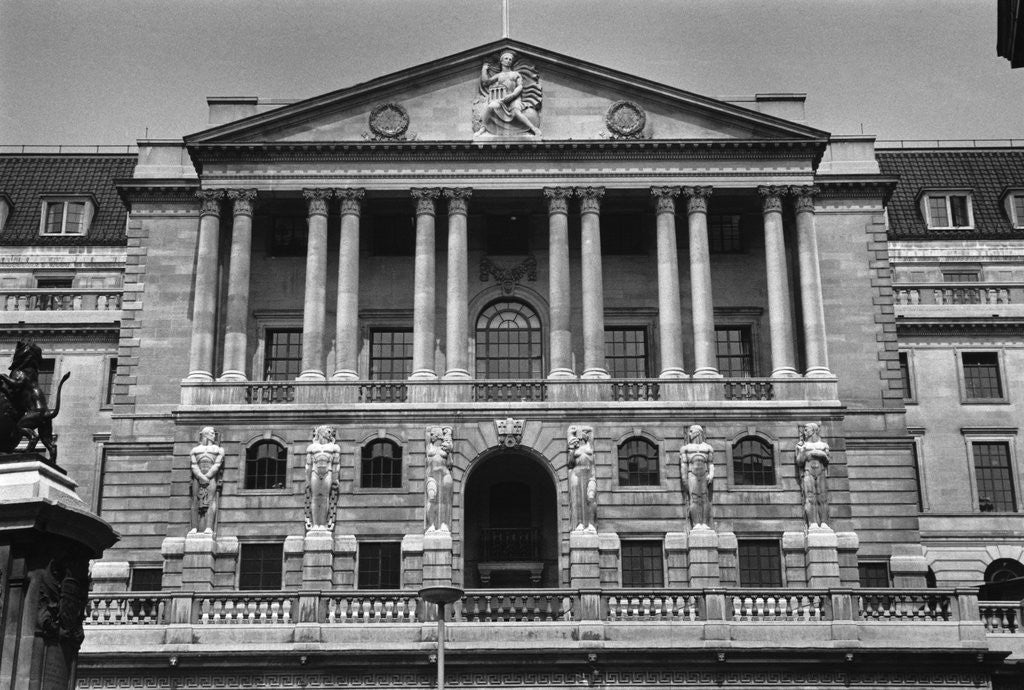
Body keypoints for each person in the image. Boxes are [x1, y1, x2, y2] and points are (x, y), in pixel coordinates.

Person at [475, 51, 542, 136]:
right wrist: (484, 70)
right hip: (502, 98)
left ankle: (534, 129)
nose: (508, 60)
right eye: (506, 59)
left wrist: (513, 95)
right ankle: (483, 128)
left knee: (516, 112)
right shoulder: (499, 75)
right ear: (501, 61)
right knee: (491, 107)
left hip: (514, 98)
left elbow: (520, 86)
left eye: (510, 59)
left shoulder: (515, 74)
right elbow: (485, 83)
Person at [305, 425, 341, 530]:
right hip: (314, 473)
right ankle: (315, 524)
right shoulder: (312, 448)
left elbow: (336, 465)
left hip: (328, 473)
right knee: (315, 498)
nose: (328, 432)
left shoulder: (334, 447)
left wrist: (335, 479)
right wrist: (307, 480)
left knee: (325, 498)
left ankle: (322, 525)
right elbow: (308, 466)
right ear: (319, 432)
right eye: (326, 431)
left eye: (329, 431)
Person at [189, 427, 224, 534]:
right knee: (195, 501)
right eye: (212, 433)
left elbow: (217, 464)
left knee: (211, 500)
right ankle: (194, 527)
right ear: (206, 435)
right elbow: (194, 465)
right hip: (197, 478)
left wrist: (207, 477)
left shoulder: (218, 450)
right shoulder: (194, 450)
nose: (214, 435)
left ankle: (209, 527)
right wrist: (201, 477)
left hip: (211, 477)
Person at [796, 422, 831, 527]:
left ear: (814, 430)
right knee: (810, 497)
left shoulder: (824, 445)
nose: (804, 432)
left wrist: (821, 454)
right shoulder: (801, 446)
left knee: (823, 498)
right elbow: (799, 462)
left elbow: (827, 459)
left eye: (807, 429)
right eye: (804, 430)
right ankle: (813, 523)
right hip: (808, 471)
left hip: (821, 472)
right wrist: (803, 452)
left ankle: (824, 522)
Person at [681, 425, 715, 528]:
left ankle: (704, 523)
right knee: (694, 499)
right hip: (692, 475)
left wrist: (711, 474)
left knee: (704, 499)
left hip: (704, 474)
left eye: (691, 431)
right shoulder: (685, 448)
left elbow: (710, 463)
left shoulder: (708, 448)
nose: (689, 434)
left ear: (697, 432)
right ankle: (696, 524)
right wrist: (684, 479)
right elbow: (684, 465)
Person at [424, 426, 454, 532]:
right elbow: (427, 429)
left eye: (432, 434)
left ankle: (444, 524)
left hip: (445, 475)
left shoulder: (444, 448)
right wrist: (447, 430)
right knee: (431, 498)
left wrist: (449, 452)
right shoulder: (429, 447)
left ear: (437, 435)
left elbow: (450, 464)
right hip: (431, 476)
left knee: (446, 501)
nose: (430, 436)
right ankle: (431, 525)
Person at [567, 425, 597, 532]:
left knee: (591, 498)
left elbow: (590, 428)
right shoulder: (574, 447)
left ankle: (591, 523)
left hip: (589, 474)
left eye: (582, 438)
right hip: (576, 474)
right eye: (579, 438)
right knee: (577, 500)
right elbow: (570, 464)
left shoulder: (590, 445)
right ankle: (578, 524)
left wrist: (576, 430)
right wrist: (571, 449)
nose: (580, 440)